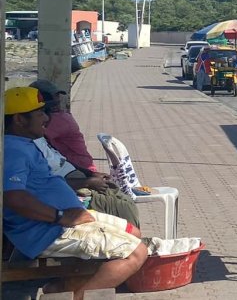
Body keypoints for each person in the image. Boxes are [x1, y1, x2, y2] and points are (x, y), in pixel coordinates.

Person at [4, 87, 148, 298]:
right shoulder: (13, 151)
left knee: (133, 232)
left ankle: (59, 289)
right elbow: (13, 198)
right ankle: (73, 295)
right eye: (39, 114)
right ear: (19, 119)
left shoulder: (23, 144)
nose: (46, 118)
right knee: (136, 253)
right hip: (50, 231)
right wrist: (61, 216)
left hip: (67, 219)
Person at [28, 80, 140, 226]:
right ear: (20, 120)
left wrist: (90, 175)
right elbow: (44, 183)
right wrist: (88, 180)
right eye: (41, 112)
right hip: (73, 181)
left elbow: (60, 161)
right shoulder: (27, 144)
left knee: (122, 200)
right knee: (123, 207)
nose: (58, 101)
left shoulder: (51, 125)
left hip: (78, 173)